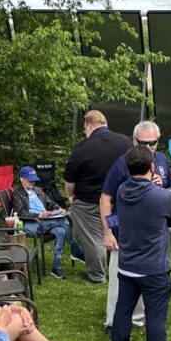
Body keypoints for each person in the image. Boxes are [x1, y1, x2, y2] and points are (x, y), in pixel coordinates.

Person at [110, 146, 171, 341]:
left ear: (127, 168)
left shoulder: (121, 191)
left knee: (123, 310)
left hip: (127, 264)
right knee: (156, 317)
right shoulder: (161, 196)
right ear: (152, 166)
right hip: (154, 268)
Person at [64, 110, 133, 283]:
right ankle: (117, 268)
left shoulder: (83, 147)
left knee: (93, 237)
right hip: (115, 202)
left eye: (84, 129)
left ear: (88, 125)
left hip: (89, 204)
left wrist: (70, 195)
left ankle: (96, 275)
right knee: (112, 230)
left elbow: (69, 178)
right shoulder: (125, 142)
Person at [11, 166, 82, 280]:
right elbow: (20, 213)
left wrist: (59, 209)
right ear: (22, 179)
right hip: (31, 223)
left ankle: (56, 267)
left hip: (46, 221)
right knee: (62, 221)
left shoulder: (37, 190)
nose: (32, 182)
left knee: (61, 231)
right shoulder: (17, 193)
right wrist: (38, 215)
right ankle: (75, 249)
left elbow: (50, 203)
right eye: (30, 180)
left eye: (34, 180)